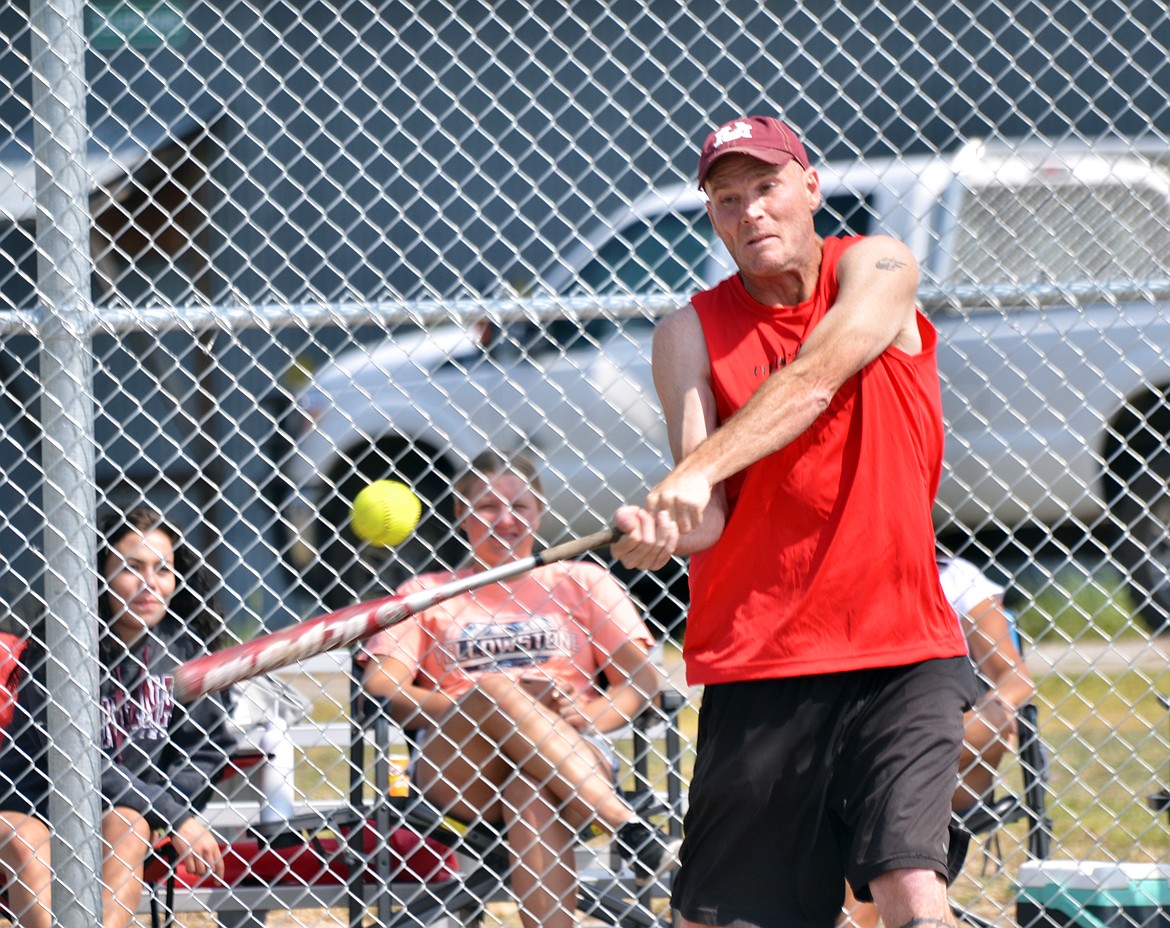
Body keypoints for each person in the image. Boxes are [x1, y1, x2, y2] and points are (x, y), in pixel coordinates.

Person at [612, 114, 978, 928]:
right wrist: (660, 526)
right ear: (711, 213)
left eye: (768, 187)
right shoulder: (686, 335)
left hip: (900, 645)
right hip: (762, 658)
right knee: (726, 919)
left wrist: (696, 470)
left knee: (914, 891)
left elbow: (818, 375)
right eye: (728, 198)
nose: (752, 213)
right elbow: (704, 517)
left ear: (810, 187)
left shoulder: (879, 267)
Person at [362, 449, 674, 928]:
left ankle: (629, 836)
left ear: (540, 511)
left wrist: (587, 716)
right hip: (460, 764)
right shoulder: (424, 592)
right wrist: (474, 703)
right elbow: (381, 684)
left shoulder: (582, 580)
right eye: (487, 506)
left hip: (566, 758)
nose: (505, 519)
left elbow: (644, 682)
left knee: (529, 788)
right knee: (494, 691)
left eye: (520, 506)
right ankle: (629, 829)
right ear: (460, 515)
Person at [0, 504, 237, 928]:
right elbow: (75, 762)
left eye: (162, 569)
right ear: (101, 575)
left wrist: (169, 807)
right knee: (27, 840)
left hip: (124, 810)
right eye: (132, 567)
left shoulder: (184, 653)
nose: (149, 583)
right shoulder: (58, 649)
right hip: (28, 803)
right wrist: (175, 815)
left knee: (130, 824)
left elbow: (206, 747)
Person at [840, 554, 1037, 928]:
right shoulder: (844, 570)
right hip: (865, 749)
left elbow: (1014, 679)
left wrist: (994, 708)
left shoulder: (955, 578)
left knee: (994, 717)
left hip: (952, 752)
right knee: (873, 796)